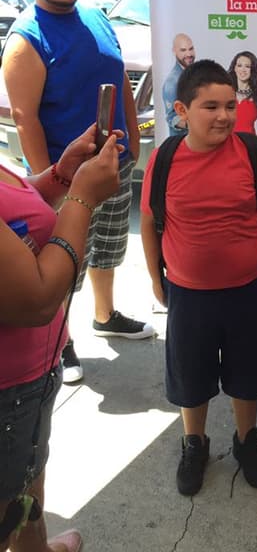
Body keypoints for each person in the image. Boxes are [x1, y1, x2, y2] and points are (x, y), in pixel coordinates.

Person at [1, 0, 153, 388]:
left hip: (113, 162)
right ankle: (60, 342)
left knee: (108, 247)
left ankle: (105, 315)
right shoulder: (26, 40)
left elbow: (118, 78)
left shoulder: (96, 17)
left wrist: (132, 142)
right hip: (67, 178)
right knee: (66, 260)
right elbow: (26, 119)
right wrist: (45, 188)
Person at [140, 60, 257, 497]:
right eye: (211, 107)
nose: (224, 116)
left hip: (247, 288)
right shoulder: (165, 159)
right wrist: (155, 277)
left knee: (248, 373)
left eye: (230, 106)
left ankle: (246, 440)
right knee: (191, 376)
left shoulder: (252, 153)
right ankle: (194, 443)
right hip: (189, 293)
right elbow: (148, 220)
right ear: (182, 110)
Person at [1, 125, 122, 552]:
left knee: (27, 484)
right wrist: (83, 197)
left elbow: (12, 211)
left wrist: (59, 178)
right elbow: (38, 298)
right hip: (8, 390)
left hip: (29, 377)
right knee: (8, 506)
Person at [162, 33, 196, 133]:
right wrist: (196, 124)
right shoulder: (172, 82)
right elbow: (171, 118)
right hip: (183, 140)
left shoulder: (199, 74)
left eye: (191, 49)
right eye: (183, 50)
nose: (188, 54)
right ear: (174, 51)